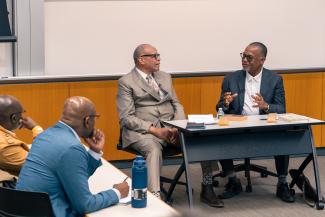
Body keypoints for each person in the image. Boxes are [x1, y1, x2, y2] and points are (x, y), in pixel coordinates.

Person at [117, 44, 223, 207]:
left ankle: (207, 187)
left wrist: (177, 125)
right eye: (154, 56)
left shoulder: (165, 77)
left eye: (158, 55)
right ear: (141, 60)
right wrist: (154, 130)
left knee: (201, 138)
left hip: (171, 128)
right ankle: (154, 198)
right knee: (153, 148)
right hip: (144, 131)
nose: (158, 59)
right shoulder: (126, 82)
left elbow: (177, 104)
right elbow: (126, 118)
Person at [16, 96, 129, 217]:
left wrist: (94, 152)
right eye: (95, 118)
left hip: (22, 210)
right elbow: (84, 205)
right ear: (87, 121)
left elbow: (74, 175)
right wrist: (117, 192)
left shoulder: (45, 135)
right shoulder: (72, 147)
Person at [216, 42, 294, 202]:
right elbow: (219, 108)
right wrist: (225, 103)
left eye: (249, 57)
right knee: (218, 133)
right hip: (237, 124)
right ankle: (232, 180)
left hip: (264, 125)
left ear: (262, 60)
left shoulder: (275, 79)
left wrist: (266, 106)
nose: (244, 60)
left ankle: (282, 183)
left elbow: (281, 108)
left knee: (283, 134)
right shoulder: (230, 79)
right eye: (243, 56)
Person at [0, 94, 43, 176]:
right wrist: (36, 128)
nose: (23, 116)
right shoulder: (6, 146)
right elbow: (40, 162)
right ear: (14, 118)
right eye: (22, 113)